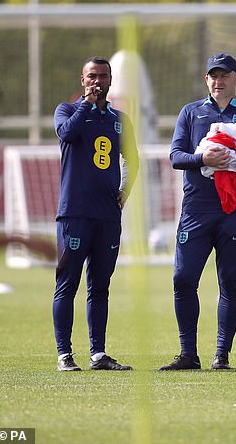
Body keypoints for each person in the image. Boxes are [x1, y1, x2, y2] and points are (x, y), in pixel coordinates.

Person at [160, 53, 236, 371]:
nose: (218, 81)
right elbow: (176, 156)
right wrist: (204, 160)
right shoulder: (191, 112)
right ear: (206, 80)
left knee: (230, 281)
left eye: (225, 75)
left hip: (234, 209)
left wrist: (235, 159)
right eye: (213, 75)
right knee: (183, 279)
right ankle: (187, 354)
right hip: (196, 208)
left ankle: (221, 354)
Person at [52, 56, 139, 371]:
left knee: (100, 286)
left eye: (103, 76)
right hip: (75, 214)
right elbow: (66, 134)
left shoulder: (119, 120)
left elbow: (133, 159)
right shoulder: (67, 110)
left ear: (111, 79)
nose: (97, 81)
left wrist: (124, 191)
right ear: (82, 78)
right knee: (67, 284)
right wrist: (87, 104)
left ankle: (98, 354)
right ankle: (64, 355)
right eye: (92, 76)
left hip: (107, 217)